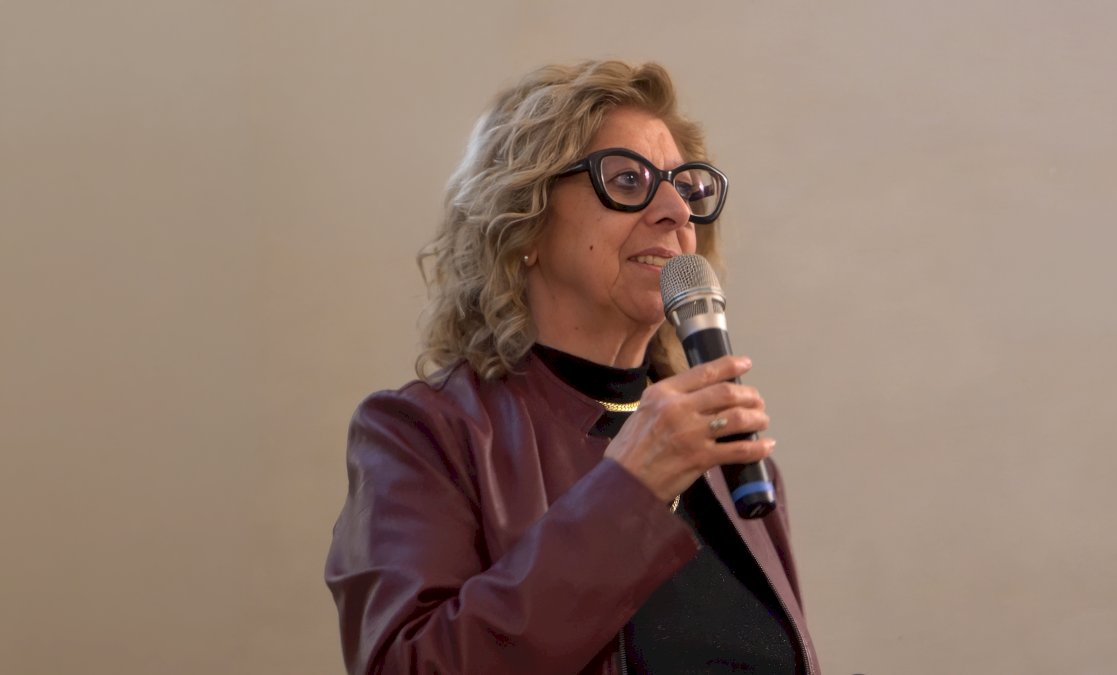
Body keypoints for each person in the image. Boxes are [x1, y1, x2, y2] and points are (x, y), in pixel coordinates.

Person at [325, 60, 821, 675]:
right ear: (524, 223)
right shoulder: (424, 435)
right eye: (628, 179)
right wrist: (628, 495)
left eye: (687, 188)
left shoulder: (729, 458)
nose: (676, 210)